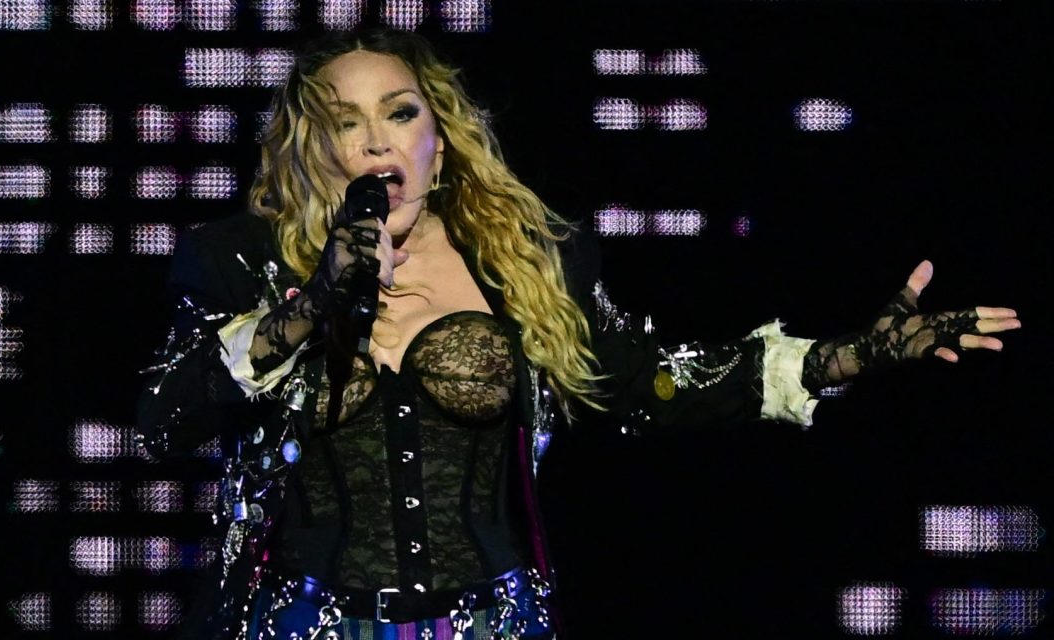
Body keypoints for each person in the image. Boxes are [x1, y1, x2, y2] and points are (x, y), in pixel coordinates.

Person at [135, 26, 1021, 640]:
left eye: (400, 113)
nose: (376, 142)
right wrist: (307, 308)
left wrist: (847, 356)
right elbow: (165, 420)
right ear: (311, 147)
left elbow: (657, 381)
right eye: (344, 121)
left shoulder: (526, 262)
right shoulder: (235, 261)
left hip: (491, 621)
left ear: (437, 139)